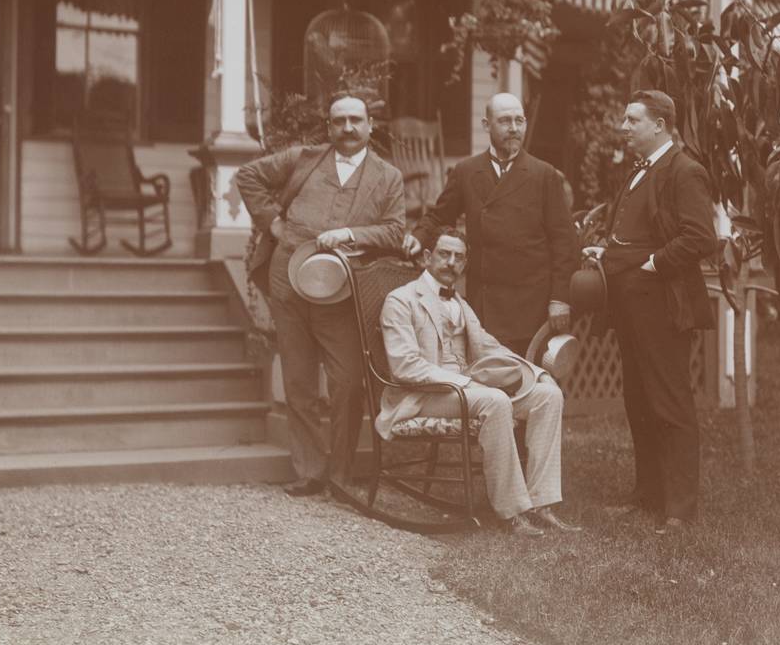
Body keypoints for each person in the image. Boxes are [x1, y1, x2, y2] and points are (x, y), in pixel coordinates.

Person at [236, 93, 405, 497]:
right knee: (299, 379)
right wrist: (273, 224)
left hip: (341, 292)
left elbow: (396, 231)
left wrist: (351, 235)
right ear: (329, 127)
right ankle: (310, 470)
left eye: (356, 120)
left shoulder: (387, 177)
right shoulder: (304, 158)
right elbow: (247, 175)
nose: (348, 128)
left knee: (347, 382)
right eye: (339, 121)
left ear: (370, 126)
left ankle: (342, 476)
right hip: (288, 279)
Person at [378, 228, 581, 538]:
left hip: (466, 389)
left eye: (459, 257)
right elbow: (405, 366)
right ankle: (512, 512)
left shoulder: (460, 302)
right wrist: (463, 382)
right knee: (495, 401)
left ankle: (542, 502)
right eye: (444, 254)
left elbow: (488, 347)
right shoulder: (401, 300)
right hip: (421, 394)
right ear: (427, 257)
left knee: (548, 395)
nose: (451, 262)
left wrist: (535, 372)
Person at [584, 90, 716, 530]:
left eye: (632, 119)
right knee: (638, 399)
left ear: (659, 124)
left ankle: (679, 510)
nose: (624, 127)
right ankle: (648, 496)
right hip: (629, 303)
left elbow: (699, 237)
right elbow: (636, 231)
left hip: (661, 303)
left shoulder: (684, 170)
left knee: (670, 401)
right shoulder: (641, 170)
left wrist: (653, 264)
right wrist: (606, 251)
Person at [404, 92, 579, 356]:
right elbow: (440, 217)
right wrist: (418, 237)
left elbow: (565, 242)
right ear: (486, 125)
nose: (514, 128)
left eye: (519, 121)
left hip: (532, 304)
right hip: (484, 304)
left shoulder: (544, 175)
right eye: (505, 121)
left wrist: (559, 299)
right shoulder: (466, 171)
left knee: (533, 385)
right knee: (490, 386)